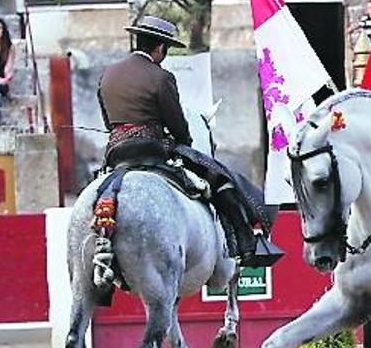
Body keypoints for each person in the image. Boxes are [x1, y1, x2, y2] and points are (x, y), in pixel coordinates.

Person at [98, 16, 268, 262]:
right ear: (160, 48)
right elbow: (177, 125)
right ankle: (245, 243)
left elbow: (107, 122)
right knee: (219, 177)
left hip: (115, 152)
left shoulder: (108, 74)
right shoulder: (161, 77)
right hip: (152, 150)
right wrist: (184, 140)